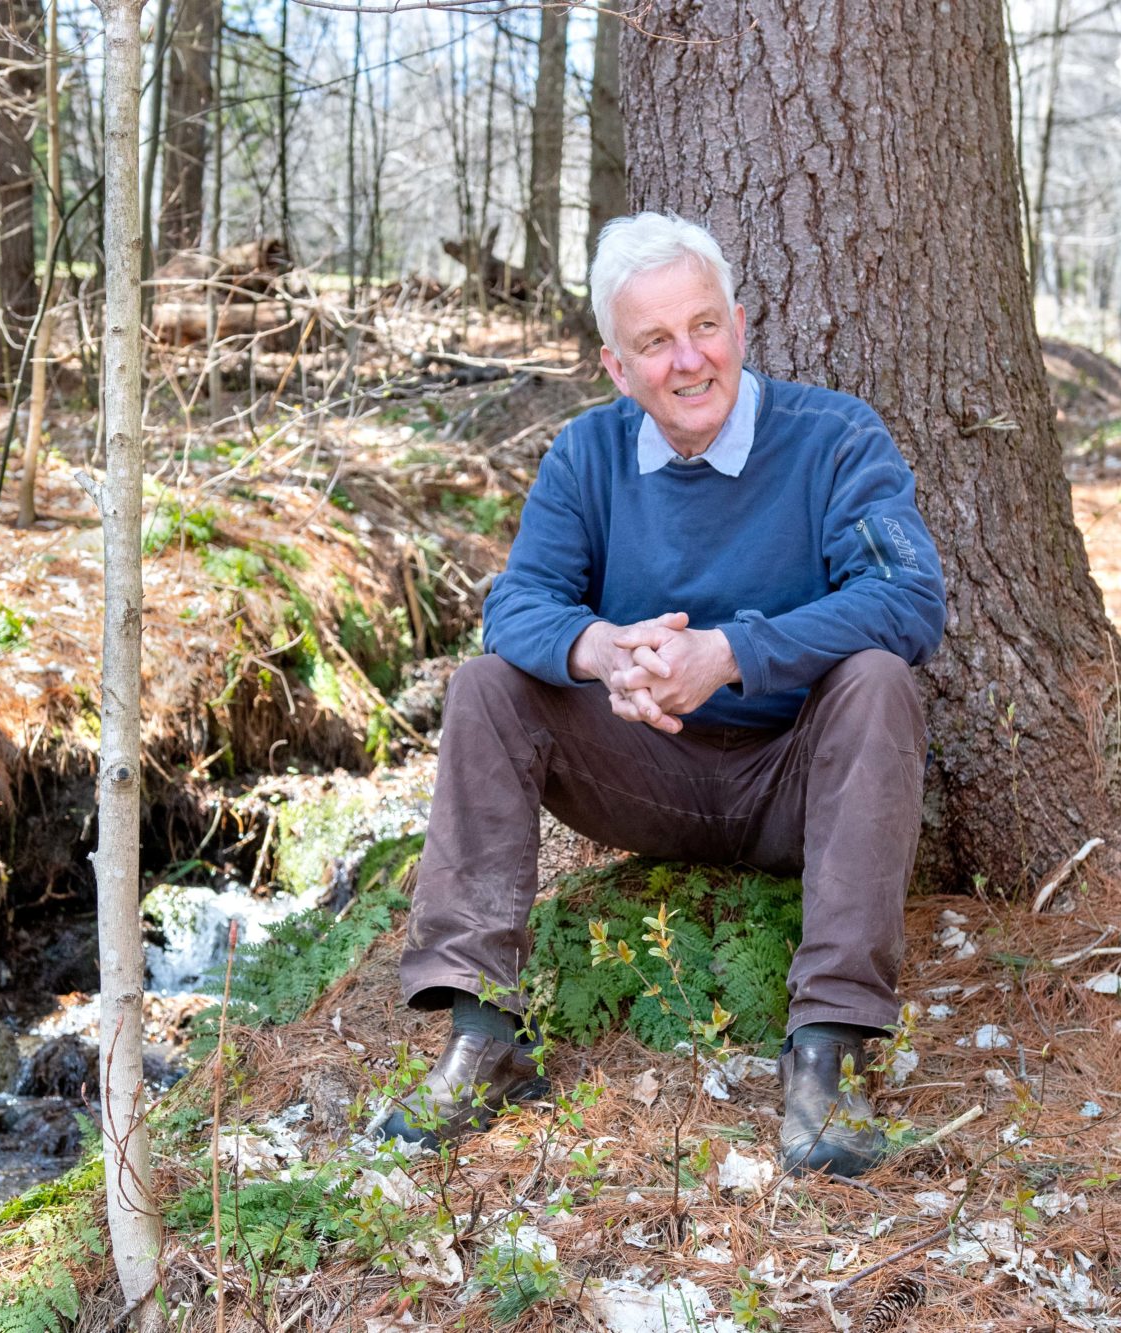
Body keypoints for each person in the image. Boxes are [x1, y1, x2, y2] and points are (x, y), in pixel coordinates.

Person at [384, 212, 945, 1178]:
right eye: (656, 342)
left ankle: (829, 1056)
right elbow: (514, 603)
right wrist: (598, 647)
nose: (691, 361)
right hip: (645, 773)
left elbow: (910, 599)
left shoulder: (837, 438)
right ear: (616, 366)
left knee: (879, 679)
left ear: (738, 321)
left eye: (706, 327)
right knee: (486, 687)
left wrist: (731, 653)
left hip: (796, 784)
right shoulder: (586, 457)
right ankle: (483, 1040)